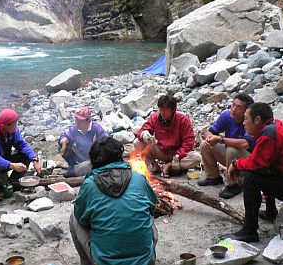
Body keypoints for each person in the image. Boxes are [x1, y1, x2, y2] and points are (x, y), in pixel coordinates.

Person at [70, 137, 158, 265]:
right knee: (148, 215)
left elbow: (81, 217)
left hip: (105, 262)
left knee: (74, 217)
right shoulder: (138, 178)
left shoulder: (90, 184)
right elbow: (152, 208)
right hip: (145, 261)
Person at [221, 103, 283, 243]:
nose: (243, 123)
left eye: (245, 119)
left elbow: (255, 164)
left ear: (257, 120)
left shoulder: (269, 133)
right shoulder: (274, 126)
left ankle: (249, 230)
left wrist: (235, 164)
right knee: (263, 171)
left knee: (251, 177)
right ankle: (270, 212)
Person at [0, 108, 42, 201]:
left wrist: (34, 159)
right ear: (4, 125)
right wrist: (12, 165)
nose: (16, 126)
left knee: (25, 156)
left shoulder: (12, 131)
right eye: (14, 124)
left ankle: (12, 183)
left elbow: (22, 145)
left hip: (1, 159)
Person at [197, 93, 255, 199]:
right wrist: (210, 139)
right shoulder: (226, 116)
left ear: (246, 111)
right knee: (205, 144)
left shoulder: (250, 121)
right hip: (231, 157)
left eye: (239, 108)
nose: (234, 109)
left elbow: (245, 144)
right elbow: (211, 131)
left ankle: (233, 184)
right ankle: (213, 177)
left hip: (249, 161)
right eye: (233, 105)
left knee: (232, 149)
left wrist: (220, 139)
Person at [134, 95, 201, 177]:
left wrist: (178, 156)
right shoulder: (155, 117)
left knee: (197, 158)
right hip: (161, 151)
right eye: (161, 109)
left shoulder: (183, 120)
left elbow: (188, 142)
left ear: (173, 110)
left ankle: (169, 165)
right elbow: (143, 130)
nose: (162, 113)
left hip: (177, 154)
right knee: (137, 143)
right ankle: (154, 166)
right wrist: (144, 134)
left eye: (165, 110)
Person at [58, 106, 109, 177]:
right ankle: (73, 166)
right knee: (63, 146)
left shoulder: (96, 129)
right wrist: (63, 139)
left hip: (96, 158)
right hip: (81, 156)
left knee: (79, 170)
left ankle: (80, 170)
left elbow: (107, 142)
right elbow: (65, 135)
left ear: (87, 120)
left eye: (80, 120)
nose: (77, 122)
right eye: (76, 119)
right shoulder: (75, 129)